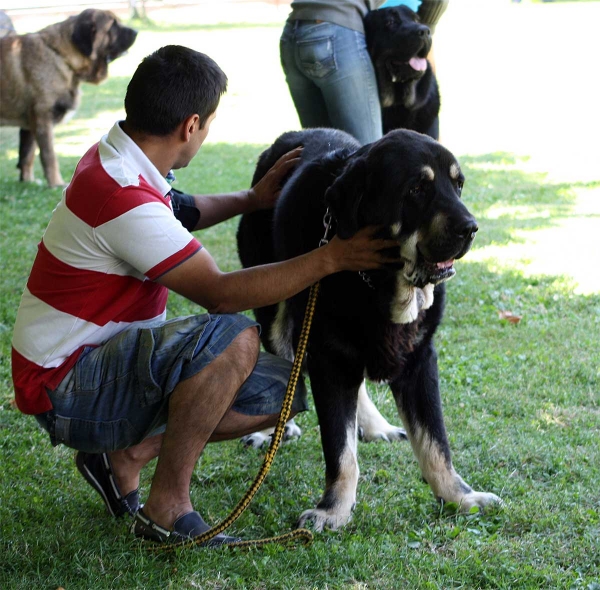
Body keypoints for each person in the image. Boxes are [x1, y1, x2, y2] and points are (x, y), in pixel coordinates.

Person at [11, 45, 401, 546]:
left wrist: (253, 200)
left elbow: (179, 208)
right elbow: (220, 294)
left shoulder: (120, 155)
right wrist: (333, 258)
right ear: (191, 126)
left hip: (83, 364)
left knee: (282, 390)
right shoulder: (121, 194)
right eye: (211, 122)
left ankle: (123, 456)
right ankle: (167, 507)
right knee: (234, 338)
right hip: (62, 383)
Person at [279, 0, 448, 144]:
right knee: (368, 157)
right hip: (338, 29)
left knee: (321, 152)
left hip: (293, 31)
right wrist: (425, 29)